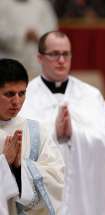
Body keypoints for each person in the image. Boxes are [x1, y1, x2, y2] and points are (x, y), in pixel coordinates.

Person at [19, 31, 105, 215]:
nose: (61, 60)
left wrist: (74, 134)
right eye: (54, 54)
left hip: (85, 195)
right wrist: (54, 133)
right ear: (40, 58)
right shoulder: (26, 96)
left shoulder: (90, 95)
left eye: (66, 54)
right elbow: (19, 139)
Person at [0, 58, 64, 214]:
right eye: (9, 94)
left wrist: (19, 169)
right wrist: (4, 162)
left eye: (22, 93)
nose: (17, 101)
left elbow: (57, 178)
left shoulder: (36, 131)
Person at [0, 0, 57, 80]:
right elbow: (2, 31)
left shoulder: (41, 3)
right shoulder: (3, 4)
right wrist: (23, 34)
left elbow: (52, 26)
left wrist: (38, 34)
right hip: (10, 58)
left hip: (36, 61)